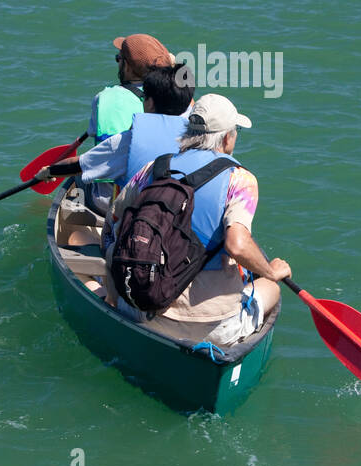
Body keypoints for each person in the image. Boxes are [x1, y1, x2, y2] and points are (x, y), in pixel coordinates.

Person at [105, 94, 288, 348]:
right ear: (226, 138)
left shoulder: (153, 169)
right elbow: (237, 245)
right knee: (272, 288)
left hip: (142, 308)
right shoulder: (240, 179)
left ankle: (112, 306)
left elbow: (115, 217)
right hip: (212, 328)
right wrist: (270, 271)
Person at [39, 62, 194, 193]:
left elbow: (80, 165)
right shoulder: (201, 134)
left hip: (141, 218)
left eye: (145, 97)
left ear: (151, 103)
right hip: (183, 216)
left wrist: (49, 171)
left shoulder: (127, 142)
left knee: (81, 185)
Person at [82, 34, 175, 215]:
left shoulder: (104, 98)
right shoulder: (175, 97)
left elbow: (95, 135)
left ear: (129, 68)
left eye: (119, 59)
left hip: (110, 201)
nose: (117, 63)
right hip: (158, 194)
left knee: (80, 177)